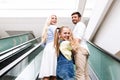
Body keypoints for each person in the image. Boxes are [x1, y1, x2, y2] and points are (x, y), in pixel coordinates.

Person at [71, 11, 90, 80]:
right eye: (72, 17)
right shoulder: (78, 26)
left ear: (79, 18)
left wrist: (73, 50)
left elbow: (78, 39)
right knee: (85, 74)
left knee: (79, 74)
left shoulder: (80, 25)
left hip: (80, 50)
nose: (73, 18)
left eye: (75, 17)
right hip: (83, 50)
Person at [39, 15, 58, 80]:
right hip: (53, 48)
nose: (54, 19)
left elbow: (42, 44)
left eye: (55, 18)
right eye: (52, 18)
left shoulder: (46, 28)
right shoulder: (54, 27)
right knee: (53, 73)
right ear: (49, 19)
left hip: (47, 49)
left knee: (46, 72)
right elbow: (58, 39)